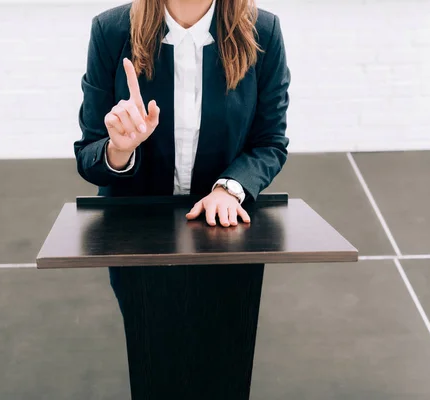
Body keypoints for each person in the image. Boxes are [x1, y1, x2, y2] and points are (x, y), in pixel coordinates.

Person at [74, 0, 290, 398]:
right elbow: (89, 154)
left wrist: (230, 187)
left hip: (224, 231)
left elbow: (270, 142)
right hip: (141, 237)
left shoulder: (264, 32)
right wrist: (119, 149)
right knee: (157, 365)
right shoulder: (111, 31)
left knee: (225, 365)